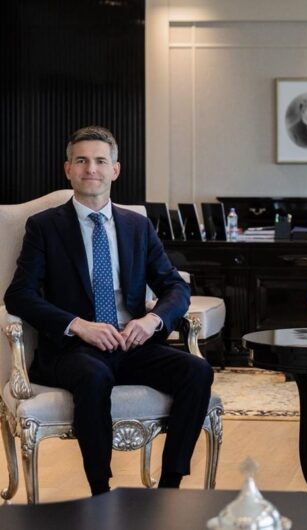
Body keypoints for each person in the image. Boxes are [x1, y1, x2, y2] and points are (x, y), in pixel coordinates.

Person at [4, 126, 214, 496]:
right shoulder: (45, 227)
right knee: (94, 375)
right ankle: (100, 492)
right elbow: (19, 295)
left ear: (115, 170)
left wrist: (152, 320)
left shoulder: (137, 226)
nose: (92, 169)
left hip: (131, 344)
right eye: (82, 161)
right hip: (72, 350)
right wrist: (78, 325)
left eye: (101, 161)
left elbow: (175, 286)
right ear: (68, 169)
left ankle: (170, 487)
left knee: (197, 370)